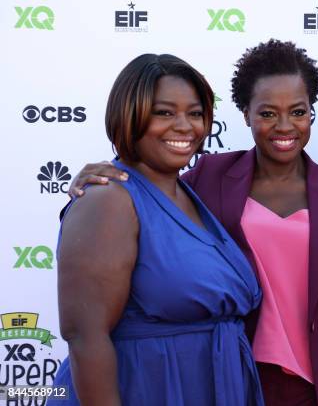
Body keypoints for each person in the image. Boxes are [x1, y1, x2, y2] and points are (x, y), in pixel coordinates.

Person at [65, 40, 318, 406]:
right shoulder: (209, 176)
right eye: (267, 113)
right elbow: (149, 189)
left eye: (298, 111)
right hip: (230, 374)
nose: (284, 125)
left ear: (311, 113)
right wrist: (100, 173)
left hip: (312, 384)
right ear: (245, 113)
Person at [49, 54, 263, 406]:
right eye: (164, 112)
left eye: (195, 113)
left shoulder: (191, 191)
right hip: (145, 389)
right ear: (130, 114)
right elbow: (85, 336)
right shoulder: (108, 199)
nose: (185, 126)